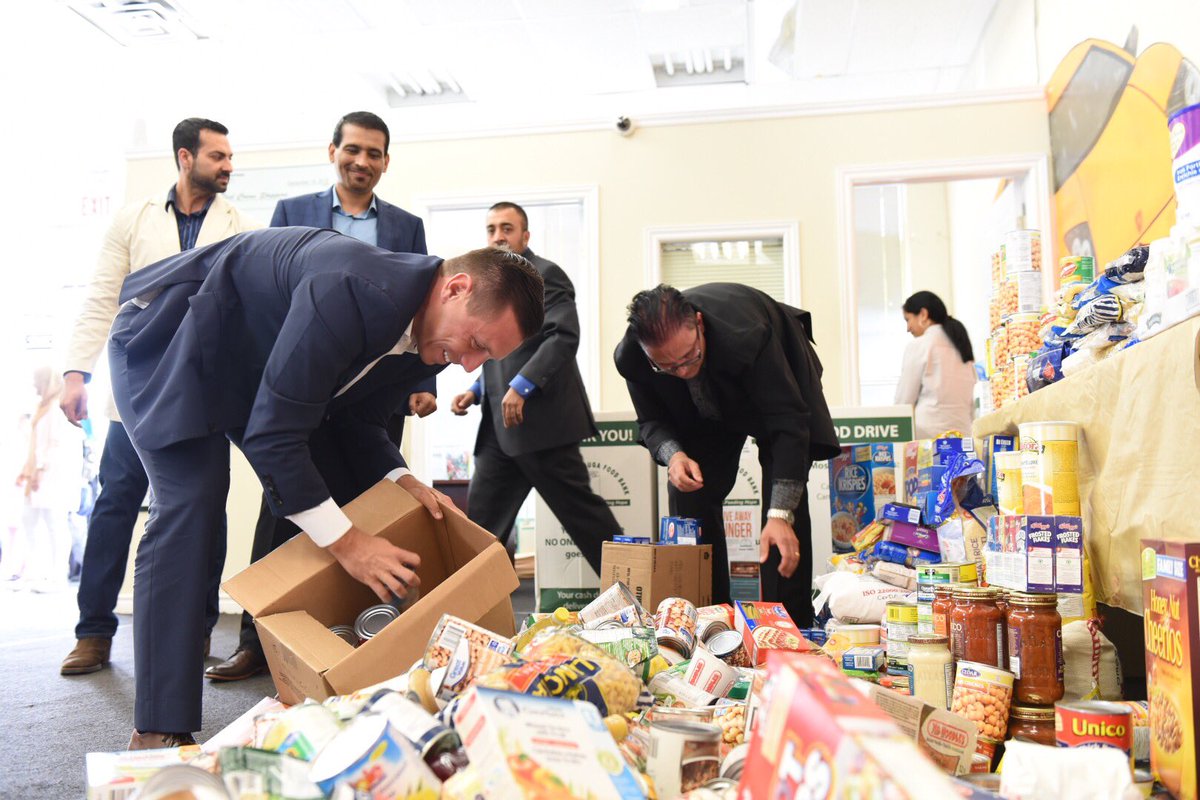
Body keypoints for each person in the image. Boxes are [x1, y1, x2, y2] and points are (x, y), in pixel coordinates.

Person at [108, 226, 543, 749]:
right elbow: (275, 439)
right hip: (170, 337)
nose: (470, 364)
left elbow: (357, 423)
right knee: (192, 500)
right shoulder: (352, 289)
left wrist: (402, 481)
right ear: (456, 288)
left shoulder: (420, 339)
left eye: (485, 359)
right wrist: (348, 544)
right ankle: (156, 728)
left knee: (342, 489)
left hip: (249, 370)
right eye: (475, 343)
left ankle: (351, 679)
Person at [208, 111, 433, 682]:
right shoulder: (294, 213)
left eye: (375, 153)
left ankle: (353, 631)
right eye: (352, 149)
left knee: (364, 502)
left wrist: (422, 386)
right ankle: (257, 642)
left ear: (387, 161)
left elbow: (426, 310)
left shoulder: (405, 225)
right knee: (286, 499)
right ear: (333, 150)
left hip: (367, 393)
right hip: (300, 383)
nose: (362, 161)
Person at [59, 118, 260, 677]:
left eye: (229, 156)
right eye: (218, 156)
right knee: (115, 503)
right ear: (184, 156)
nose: (228, 166)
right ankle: (94, 632)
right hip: (137, 387)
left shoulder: (238, 224)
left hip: (201, 390)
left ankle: (195, 632)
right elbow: (103, 296)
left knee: (205, 512)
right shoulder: (135, 218)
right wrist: (78, 371)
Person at [614, 284, 840, 626]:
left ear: (700, 324)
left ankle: (789, 623)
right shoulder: (632, 358)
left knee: (782, 515)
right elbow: (651, 421)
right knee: (689, 491)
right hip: (701, 408)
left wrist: (779, 514)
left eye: (690, 357)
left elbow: (788, 425)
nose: (684, 370)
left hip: (774, 383)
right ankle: (707, 618)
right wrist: (673, 456)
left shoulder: (749, 336)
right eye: (668, 367)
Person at [450, 202, 620, 573]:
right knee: (480, 533)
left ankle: (639, 596)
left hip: (542, 424)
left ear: (525, 236)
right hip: (498, 431)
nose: (498, 236)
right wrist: (477, 391)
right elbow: (500, 348)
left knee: (587, 522)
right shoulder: (487, 286)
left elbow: (562, 337)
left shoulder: (546, 276)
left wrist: (522, 385)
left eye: (507, 228)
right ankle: (480, 616)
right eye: (492, 229)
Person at [13, 367, 83, 589]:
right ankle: (34, 572)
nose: (34, 384)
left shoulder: (55, 409)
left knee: (54, 523)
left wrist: (40, 470)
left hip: (50, 475)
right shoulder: (41, 407)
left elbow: (54, 443)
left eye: (36, 380)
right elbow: (34, 443)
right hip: (36, 474)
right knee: (30, 521)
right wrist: (27, 469)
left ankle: (57, 575)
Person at [894, 290, 977, 439]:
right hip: (963, 436)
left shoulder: (920, 346)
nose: (908, 328)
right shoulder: (962, 347)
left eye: (908, 319)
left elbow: (904, 402)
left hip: (929, 439)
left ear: (923, 315)